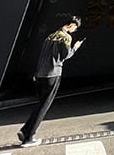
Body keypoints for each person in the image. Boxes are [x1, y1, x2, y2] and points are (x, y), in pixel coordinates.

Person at [17, 17, 84, 147]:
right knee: (43, 107)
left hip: (40, 74)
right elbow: (65, 55)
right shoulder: (66, 37)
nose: (74, 31)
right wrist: (75, 48)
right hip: (53, 74)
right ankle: (29, 137)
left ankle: (25, 130)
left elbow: (42, 56)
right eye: (75, 28)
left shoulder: (50, 36)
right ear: (71, 25)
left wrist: (36, 72)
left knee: (40, 105)